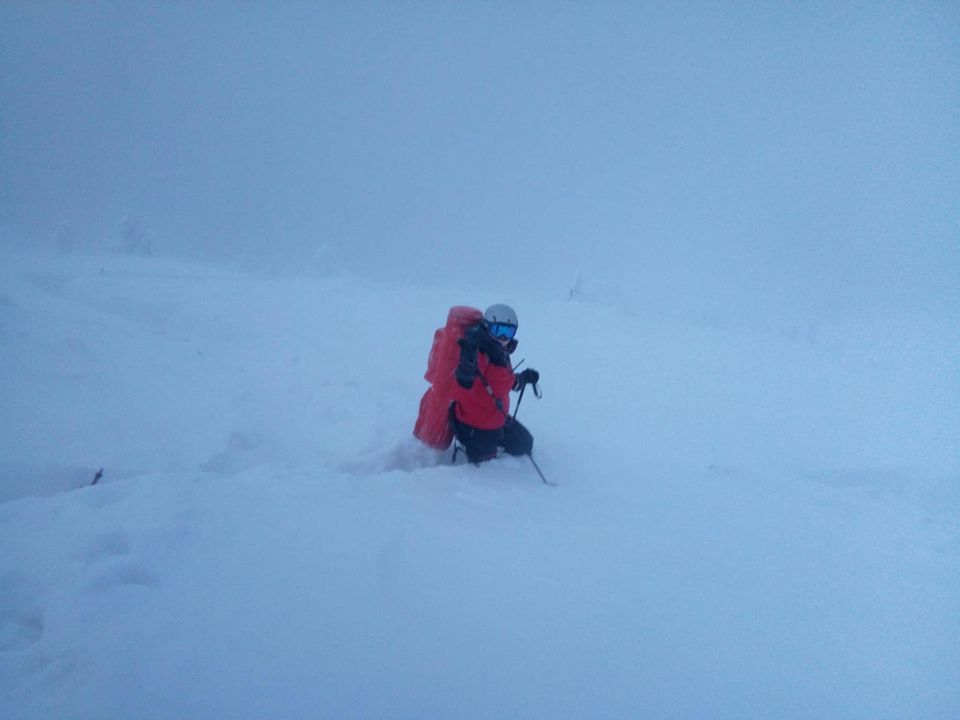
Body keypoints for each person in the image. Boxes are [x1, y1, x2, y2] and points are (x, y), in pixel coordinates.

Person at [449, 303, 540, 464]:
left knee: (524, 444)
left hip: (497, 419)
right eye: (499, 330)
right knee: (486, 468)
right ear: (486, 327)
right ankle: (464, 442)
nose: (504, 338)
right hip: (475, 425)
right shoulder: (478, 351)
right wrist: (466, 371)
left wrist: (523, 378)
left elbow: (504, 382)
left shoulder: (500, 353)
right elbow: (463, 385)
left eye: (509, 332)